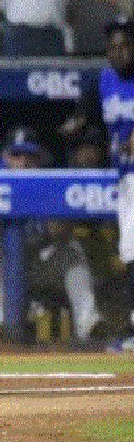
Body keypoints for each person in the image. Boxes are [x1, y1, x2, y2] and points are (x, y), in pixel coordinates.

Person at [0, 128, 101, 341]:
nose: (23, 162)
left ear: (40, 159)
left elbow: (62, 232)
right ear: (5, 158)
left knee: (72, 252)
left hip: (37, 265)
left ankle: (89, 322)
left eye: (29, 155)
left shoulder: (51, 187)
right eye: (16, 155)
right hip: (4, 266)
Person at [93, 19, 134, 348]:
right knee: (130, 252)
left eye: (125, 46)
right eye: (113, 48)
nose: (119, 53)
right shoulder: (106, 79)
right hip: (124, 176)